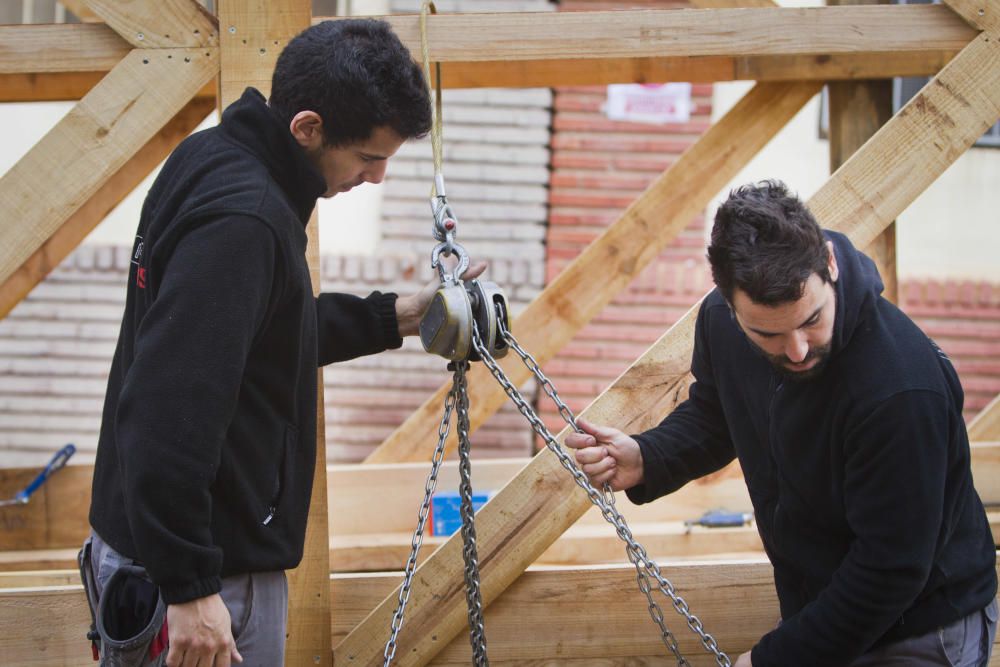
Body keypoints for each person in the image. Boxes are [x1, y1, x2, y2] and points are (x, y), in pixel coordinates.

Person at [82, 18, 478, 667]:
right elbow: (166, 410)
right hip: (200, 579)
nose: (377, 177)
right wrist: (189, 587)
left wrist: (401, 316)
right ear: (308, 128)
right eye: (368, 156)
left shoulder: (214, 158)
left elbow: (264, 334)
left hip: (176, 557)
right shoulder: (245, 222)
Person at [566, 180, 997, 666]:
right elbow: (718, 413)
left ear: (829, 265)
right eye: (769, 334)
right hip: (821, 604)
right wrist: (650, 457)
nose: (797, 350)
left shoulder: (900, 391)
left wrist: (772, 660)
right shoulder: (720, 324)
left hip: (921, 625)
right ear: (730, 305)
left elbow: (890, 570)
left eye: (811, 320)